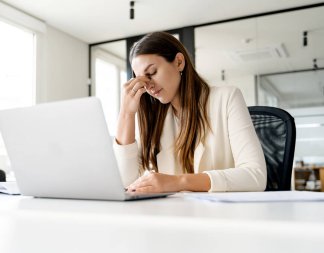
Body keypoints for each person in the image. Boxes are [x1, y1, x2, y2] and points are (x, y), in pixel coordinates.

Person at [113, 31, 266, 193]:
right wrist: (126, 114)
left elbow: (256, 175)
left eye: (152, 73)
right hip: (176, 214)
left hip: (223, 214)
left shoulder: (227, 98)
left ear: (179, 62)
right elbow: (126, 182)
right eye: (142, 79)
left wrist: (179, 182)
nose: (148, 86)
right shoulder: (154, 118)